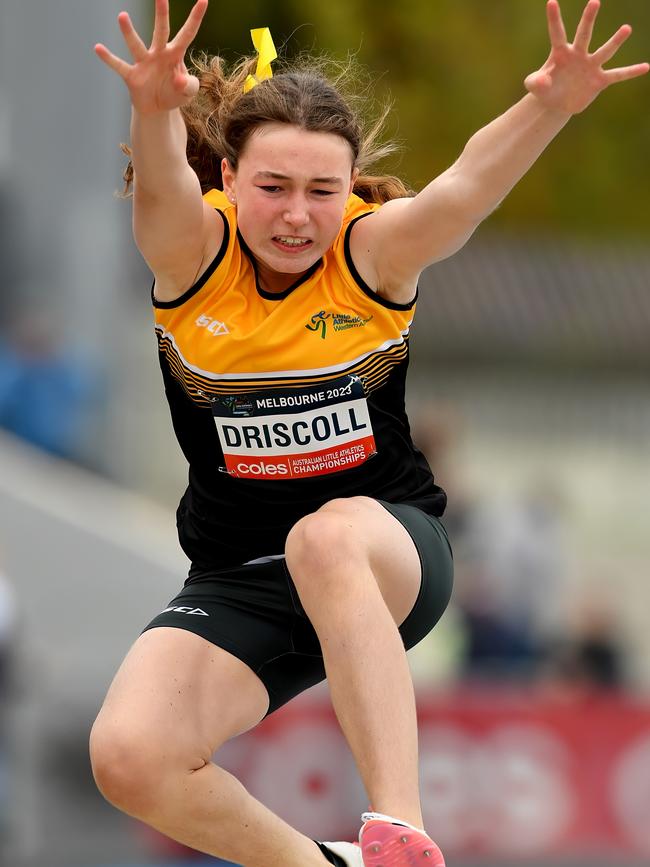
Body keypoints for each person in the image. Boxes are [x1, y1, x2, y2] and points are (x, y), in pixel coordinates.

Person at [89, 2, 647, 866]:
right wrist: (155, 110)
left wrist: (550, 104)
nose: (297, 217)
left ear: (349, 190)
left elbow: (463, 187)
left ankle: (400, 827)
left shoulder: (373, 257)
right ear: (228, 179)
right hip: (243, 576)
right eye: (273, 188)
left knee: (324, 535)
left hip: (386, 552)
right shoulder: (193, 257)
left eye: (322, 192)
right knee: (130, 758)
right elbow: (160, 185)